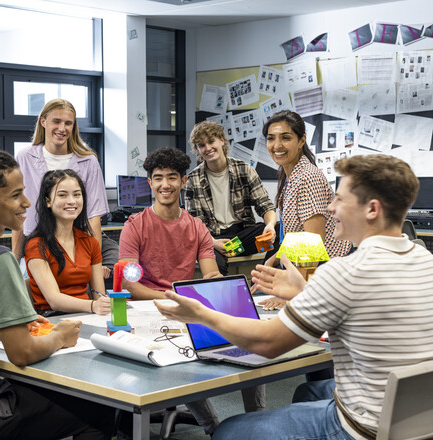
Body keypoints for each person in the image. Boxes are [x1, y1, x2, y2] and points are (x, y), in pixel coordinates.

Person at [155, 154, 433, 440]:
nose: (330, 208)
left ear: (372, 209)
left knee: (229, 431)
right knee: (308, 391)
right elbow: (367, 310)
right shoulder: (425, 259)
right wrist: (307, 292)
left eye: (339, 199)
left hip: (362, 428)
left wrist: (201, 314)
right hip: (419, 416)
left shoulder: (345, 272)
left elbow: (266, 342)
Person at [118, 147, 264, 436]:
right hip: (150, 311)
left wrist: (222, 287)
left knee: (246, 335)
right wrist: (175, 298)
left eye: (172, 178)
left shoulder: (196, 227)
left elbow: (209, 271)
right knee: (184, 352)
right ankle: (214, 428)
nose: (165, 185)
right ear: (150, 183)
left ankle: (258, 423)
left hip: (187, 308)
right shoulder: (134, 226)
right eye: (158, 178)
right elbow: (129, 285)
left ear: (183, 182)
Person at [0, 151, 114, 440]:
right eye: (16, 195)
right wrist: (60, 336)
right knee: (100, 407)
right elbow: (21, 353)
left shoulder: (88, 241)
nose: (25, 203)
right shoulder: (2, 259)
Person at [13, 98, 117, 282]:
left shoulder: (88, 160)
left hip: (79, 240)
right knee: (23, 282)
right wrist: (15, 257)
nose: (62, 128)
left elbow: (93, 216)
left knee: (113, 270)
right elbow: (20, 212)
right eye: (57, 121)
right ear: (43, 121)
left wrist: (95, 263)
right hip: (39, 241)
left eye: (68, 123)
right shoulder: (24, 157)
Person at [260, 110, 352, 310]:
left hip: (324, 271)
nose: (277, 145)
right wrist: (272, 260)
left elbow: (312, 243)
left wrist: (294, 295)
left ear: (301, 141)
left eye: (286, 138)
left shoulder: (307, 177)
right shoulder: (290, 175)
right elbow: (297, 235)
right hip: (305, 267)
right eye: (271, 138)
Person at [185, 121, 278, 276]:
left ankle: (262, 278)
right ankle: (222, 298)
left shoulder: (244, 169)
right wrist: (213, 243)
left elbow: (265, 205)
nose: (207, 148)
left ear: (222, 140)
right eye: (201, 145)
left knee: (279, 231)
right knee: (214, 264)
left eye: (211, 141)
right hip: (212, 238)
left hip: (242, 234)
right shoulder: (193, 180)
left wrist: (270, 225)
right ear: (198, 150)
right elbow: (195, 225)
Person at [24, 169, 110, 316]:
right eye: (62, 195)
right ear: (48, 201)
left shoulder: (91, 243)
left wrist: (105, 304)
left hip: (87, 316)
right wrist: (93, 305)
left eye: (77, 194)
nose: (72, 201)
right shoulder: (36, 244)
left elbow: (98, 295)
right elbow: (54, 300)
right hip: (51, 319)